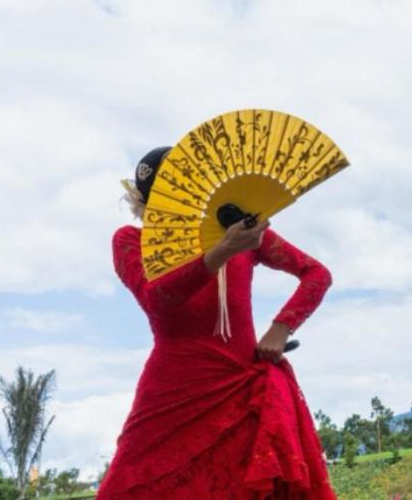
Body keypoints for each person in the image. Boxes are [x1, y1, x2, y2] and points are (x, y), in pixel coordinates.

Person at [98, 147, 336, 499]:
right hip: (171, 396)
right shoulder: (131, 241)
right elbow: (157, 299)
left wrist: (281, 328)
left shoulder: (244, 232)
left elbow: (317, 274)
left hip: (244, 388)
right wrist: (223, 250)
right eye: (163, 195)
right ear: (146, 202)